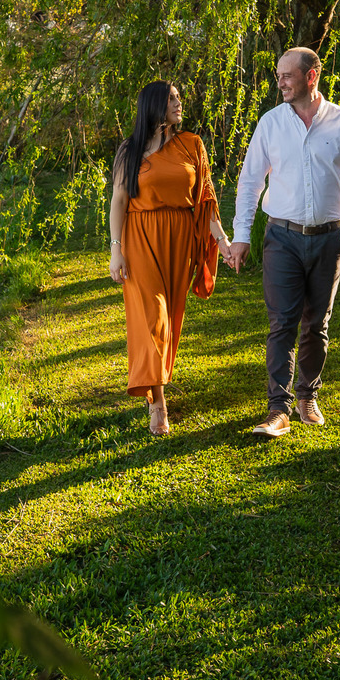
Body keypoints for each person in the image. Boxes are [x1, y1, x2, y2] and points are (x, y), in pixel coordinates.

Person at [222, 47, 340, 437]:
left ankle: (307, 394)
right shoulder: (271, 124)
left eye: (287, 75)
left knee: (317, 325)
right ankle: (278, 409)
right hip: (281, 238)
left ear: (311, 76)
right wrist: (242, 236)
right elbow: (249, 183)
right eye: (278, 75)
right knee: (282, 324)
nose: (280, 82)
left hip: (329, 240)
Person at [108, 81, 230, 436]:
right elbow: (118, 201)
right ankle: (157, 402)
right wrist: (116, 249)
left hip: (179, 240)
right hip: (140, 238)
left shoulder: (192, 144)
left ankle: (155, 384)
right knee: (153, 316)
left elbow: (205, 200)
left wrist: (221, 241)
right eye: (171, 98)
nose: (179, 103)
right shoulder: (129, 150)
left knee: (170, 320)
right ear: (154, 106)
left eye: (179, 97)